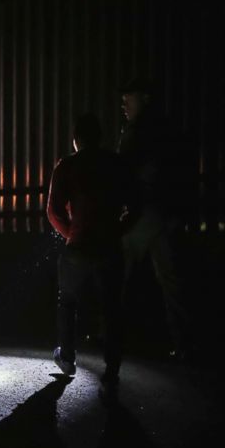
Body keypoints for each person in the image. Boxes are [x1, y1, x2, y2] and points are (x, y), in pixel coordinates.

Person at [47, 113, 131, 384]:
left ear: (76, 140)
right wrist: (118, 230)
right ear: (100, 137)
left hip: (79, 246)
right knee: (112, 306)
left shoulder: (68, 165)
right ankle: (112, 364)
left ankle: (68, 357)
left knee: (67, 301)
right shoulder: (116, 164)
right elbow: (136, 205)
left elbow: (53, 210)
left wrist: (70, 233)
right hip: (109, 245)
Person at [117, 78, 196, 360]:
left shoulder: (139, 131)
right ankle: (183, 343)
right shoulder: (164, 130)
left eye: (129, 96)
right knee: (170, 282)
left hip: (143, 215)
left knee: (120, 279)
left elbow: (122, 171)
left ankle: (113, 339)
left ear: (145, 98)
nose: (124, 102)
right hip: (158, 215)